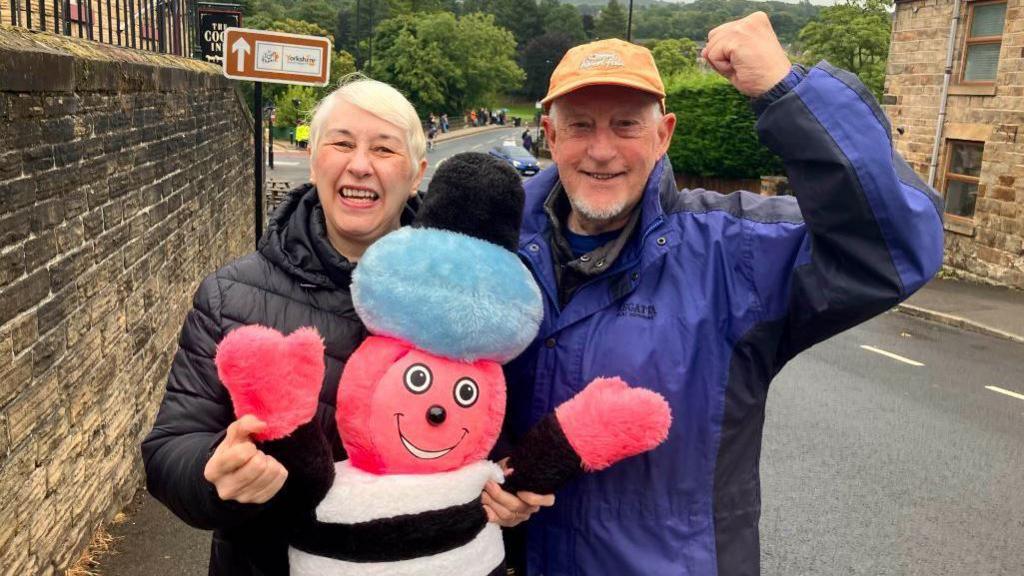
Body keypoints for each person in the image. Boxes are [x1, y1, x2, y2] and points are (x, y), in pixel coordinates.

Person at [494, 15, 944, 576]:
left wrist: (788, 92)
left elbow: (893, 248)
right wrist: (487, 477)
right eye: (580, 125)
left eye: (627, 125)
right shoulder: (493, 245)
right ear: (551, 135)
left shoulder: (734, 252)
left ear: (664, 135)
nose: (602, 150)